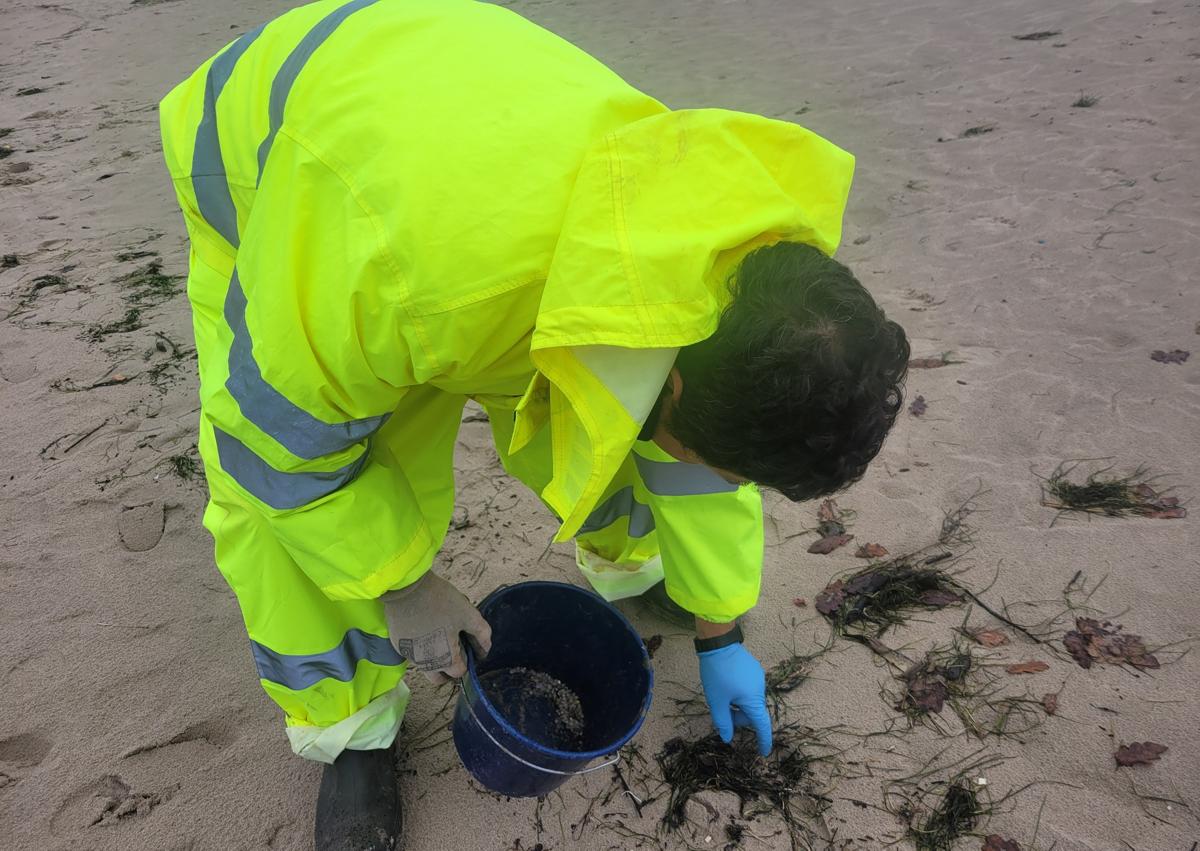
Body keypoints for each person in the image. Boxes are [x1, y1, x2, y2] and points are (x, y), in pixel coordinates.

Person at [158, 1, 909, 848]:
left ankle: (634, 575)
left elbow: (707, 446)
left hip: (458, 145)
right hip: (284, 158)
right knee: (293, 489)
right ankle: (352, 730)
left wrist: (719, 626)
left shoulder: (741, 268)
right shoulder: (403, 281)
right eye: (733, 473)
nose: (730, 486)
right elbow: (271, 450)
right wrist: (399, 581)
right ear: (675, 382)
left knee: (626, 430)